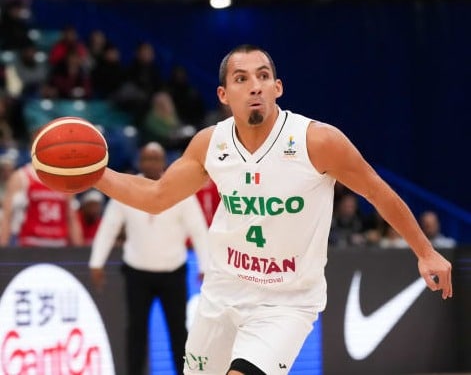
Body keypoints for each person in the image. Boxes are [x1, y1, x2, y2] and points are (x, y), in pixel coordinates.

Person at [88, 44, 452, 375]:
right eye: (241, 79)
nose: (255, 86)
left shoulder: (318, 141)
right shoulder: (209, 144)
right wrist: (95, 174)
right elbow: (156, 196)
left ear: (278, 87)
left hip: (286, 301)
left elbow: (377, 191)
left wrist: (425, 251)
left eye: (263, 76)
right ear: (224, 95)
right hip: (222, 292)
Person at [89, 142, 209, 375]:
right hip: (137, 271)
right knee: (136, 331)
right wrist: (96, 262)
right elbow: (109, 227)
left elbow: (198, 230)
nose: (151, 163)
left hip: (173, 271)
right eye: (146, 159)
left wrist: (205, 265)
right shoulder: (126, 188)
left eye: (156, 159)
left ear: (164, 162)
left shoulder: (180, 188)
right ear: (139, 162)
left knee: (178, 331)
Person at [0, 162, 83, 247]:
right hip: (31, 244)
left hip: (59, 245)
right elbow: (7, 215)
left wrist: (79, 252)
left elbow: (72, 217)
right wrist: (3, 250)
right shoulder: (22, 176)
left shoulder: (65, 179)